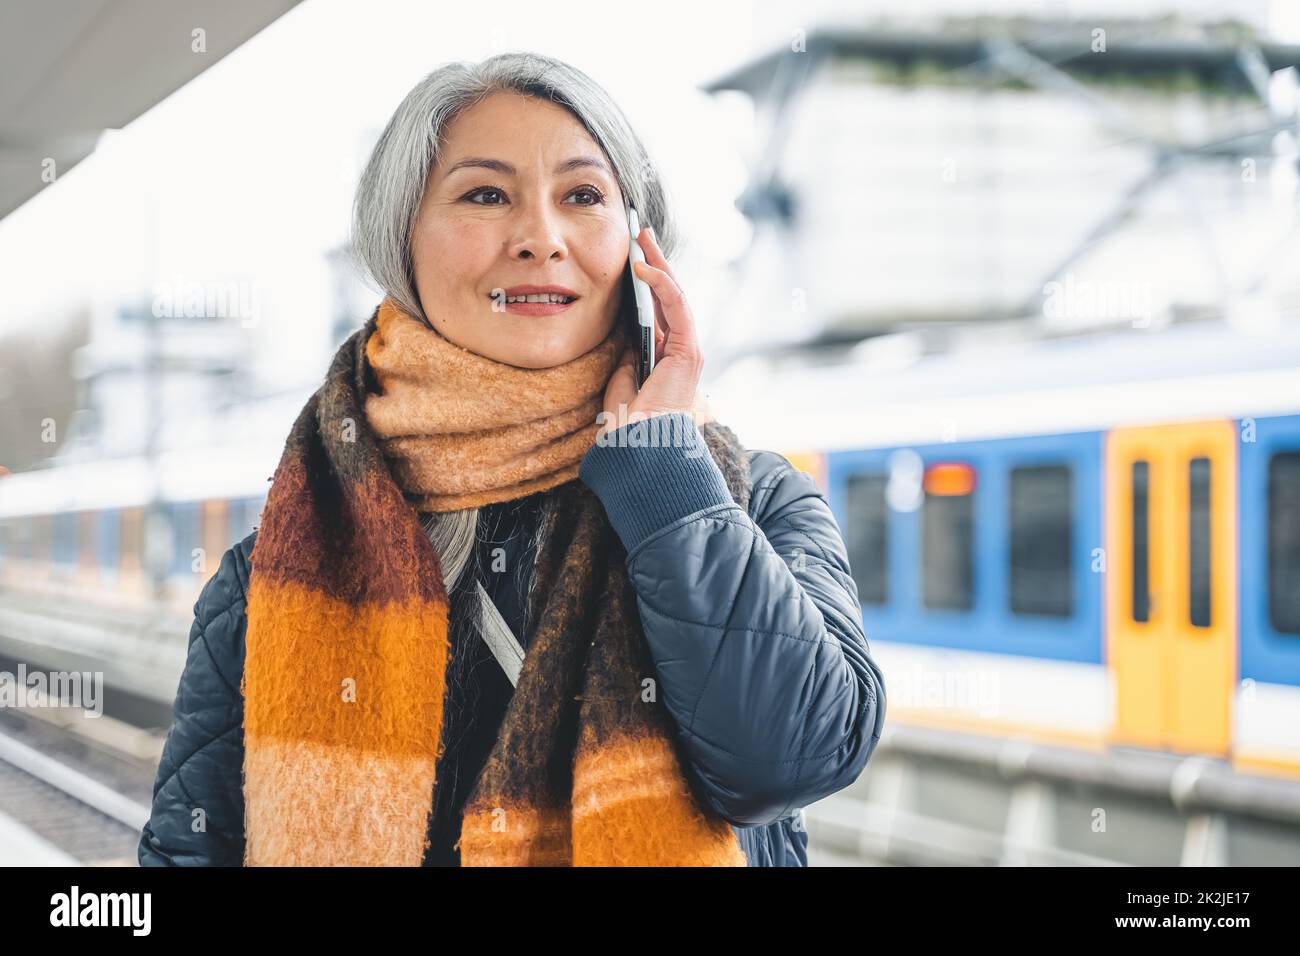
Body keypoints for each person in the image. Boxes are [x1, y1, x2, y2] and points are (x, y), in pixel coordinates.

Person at [137, 51, 885, 868]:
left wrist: (665, 482)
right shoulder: (273, 576)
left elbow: (792, 761)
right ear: (401, 241)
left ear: (641, 253)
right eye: (485, 194)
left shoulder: (752, 504)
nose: (539, 238)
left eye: (584, 196)